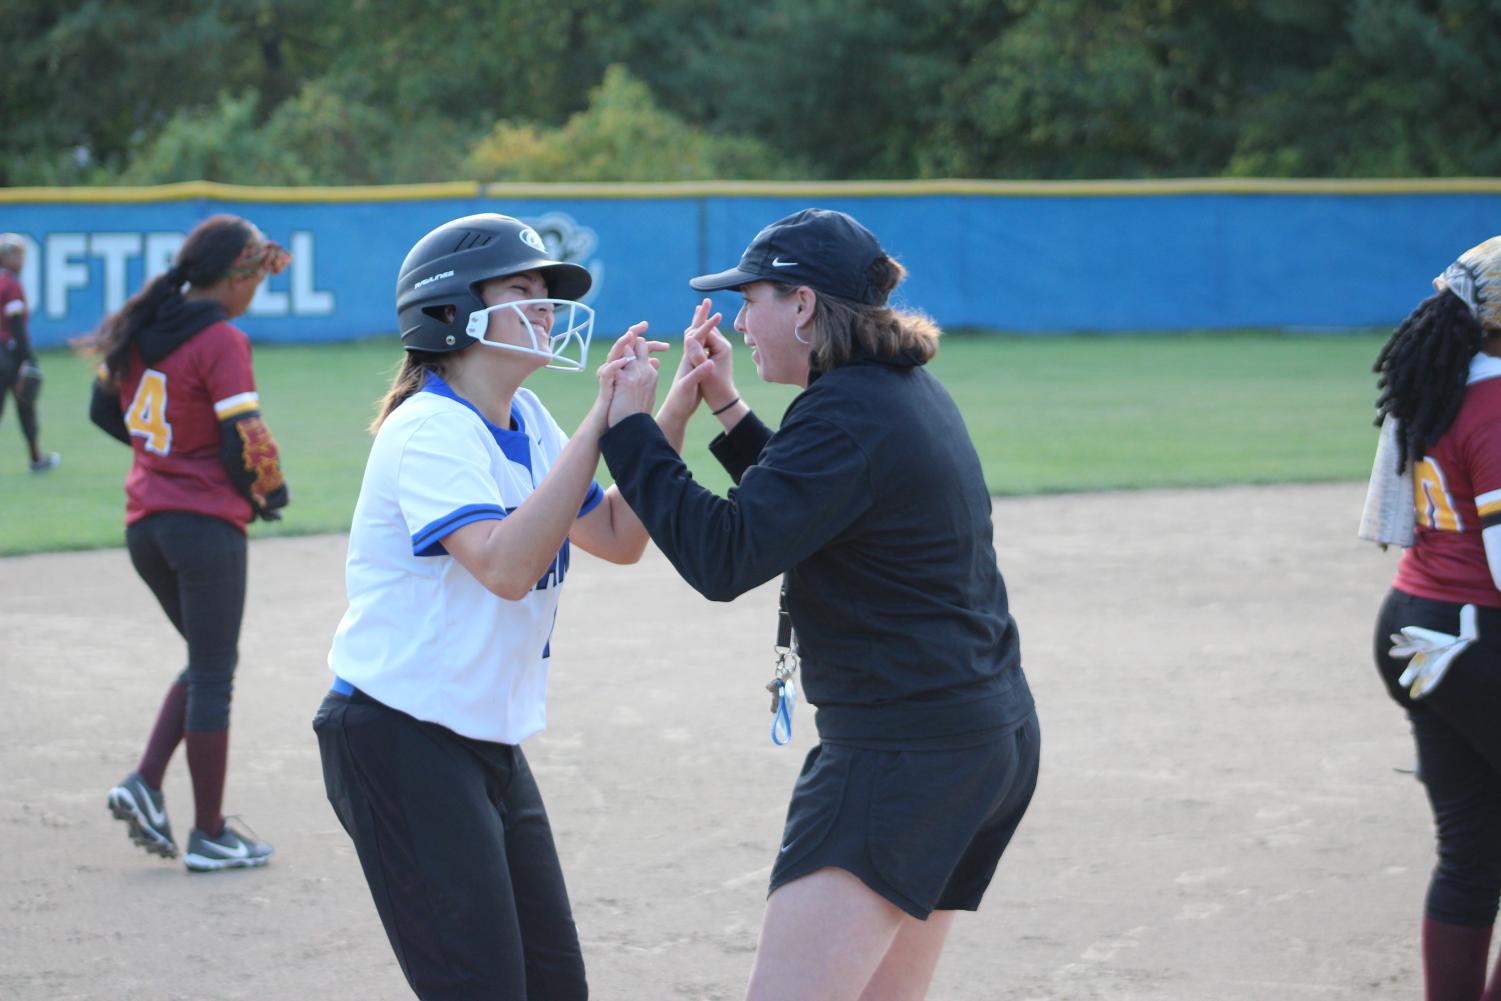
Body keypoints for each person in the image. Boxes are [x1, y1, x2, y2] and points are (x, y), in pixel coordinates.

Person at [596, 207, 1040, 1001]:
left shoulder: (845, 413)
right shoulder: (891, 393)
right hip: (980, 738)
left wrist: (629, 430)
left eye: (752, 298)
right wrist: (729, 412)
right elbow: (811, 498)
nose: (739, 319)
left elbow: (725, 556)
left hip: (902, 754)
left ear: (802, 305)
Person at [312, 212, 706, 1000]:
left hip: (481, 736)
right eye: (523, 290)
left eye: (547, 293)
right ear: (452, 309)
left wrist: (673, 409)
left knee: (555, 987)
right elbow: (505, 566)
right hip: (399, 736)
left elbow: (620, 534)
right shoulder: (428, 428)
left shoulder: (525, 418)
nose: (547, 309)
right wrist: (601, 421)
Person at [90, 214, 291, 872]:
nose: (259, 284)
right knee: (213, 672)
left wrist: (164, 451)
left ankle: (145, 783)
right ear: (234, 275)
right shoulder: (222, 338)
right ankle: (208, 833)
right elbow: (245, 435)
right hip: (202, 526)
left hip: (145, 524)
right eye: (257, 271)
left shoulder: (146, 326)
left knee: (208, 659)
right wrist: (267, 491)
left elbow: (102, 409)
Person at [1371, 235, 1501, 1001]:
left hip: (1415, 625)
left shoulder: (1442, 384)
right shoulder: (1496, 404)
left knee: (1472, 851)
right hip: (1477, 639)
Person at [0, 233, 60, 472]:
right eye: (15, 254)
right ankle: (35, 459)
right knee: (26, 404)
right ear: (4, 257)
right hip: (8, 354)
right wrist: (28, 357)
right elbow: (15, 324)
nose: (20, 259)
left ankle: (36, 458)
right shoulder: (10, 284)